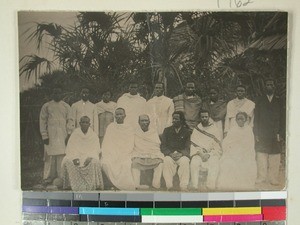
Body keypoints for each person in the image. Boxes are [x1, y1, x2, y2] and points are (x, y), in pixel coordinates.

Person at [39, 88, 73, 185]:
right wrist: (44, 135)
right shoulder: (46, 106)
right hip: (50, 135)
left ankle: (61, 177)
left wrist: (69, 134)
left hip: (63, 134)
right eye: (55, 92)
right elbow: (42, 121)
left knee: (62, 155)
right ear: (52, 94)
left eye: (59, 92)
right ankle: (48, 177)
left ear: (62, 93)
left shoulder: (66, 106)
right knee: (50, 156)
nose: (57, 94)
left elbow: (70, 120)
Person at [254, 79, 283, 186]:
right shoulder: (259, 100)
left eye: (271, 84)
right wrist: (256, 133)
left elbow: (283, 117)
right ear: (265, 86)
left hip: (275, 133)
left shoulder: (279, 100)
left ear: (274, 86)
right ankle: (261, 177)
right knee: (261, 155)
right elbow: (256, 118)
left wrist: (280, 132)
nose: (269, 86)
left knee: (275, 156)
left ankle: (273, 178)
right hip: (262, 132)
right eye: (267, 84)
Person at [61, 116, 103, 191]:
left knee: (94, 162)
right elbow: (70, 147)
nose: (85, 124)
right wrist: (74, 157)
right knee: (67, 161)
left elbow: (96, 149)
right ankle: (72, 185)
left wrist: (90, 157)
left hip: (88, 156)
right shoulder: (75, 133)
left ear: (89, 124)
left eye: (87, 122)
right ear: (80, 123)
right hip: (76, 156)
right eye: (83, 122)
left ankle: (91, 185)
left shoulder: (93, 135)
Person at [217, 112, 257, 190]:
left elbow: (250, 146)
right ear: (236, 120)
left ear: (245, 120)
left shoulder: (249, 130)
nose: (240, 121)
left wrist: (242, 153)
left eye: (242, 119)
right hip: (233, 153)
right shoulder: (233, 129)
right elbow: (226, 142)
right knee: (227, 163)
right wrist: (230, 151)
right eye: (238, 119)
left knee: (245, 164)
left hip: (245, 154)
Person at [101, 108, 136, 190]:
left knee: (125, 164)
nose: (119, 116)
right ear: (114, 116)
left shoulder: (129, 128)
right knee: (105, 163)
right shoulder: (111, 127)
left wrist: (122, 153)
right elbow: (106, 143)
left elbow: (130, 143)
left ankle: (122, 186)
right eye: (117, 114)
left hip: (125, 154)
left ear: (125, 116)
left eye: (121, 114)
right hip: (112, 153)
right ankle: (112, 184)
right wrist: (111, 153)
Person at [190, 110, 222, 191]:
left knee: (214, 162)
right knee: (194, 162)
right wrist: (200, 153)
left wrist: (209, 154)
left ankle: (210, 186)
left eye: (206, 117)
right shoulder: (197, 129)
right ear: (200, 118)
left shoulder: (214, 129)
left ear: (209, 117)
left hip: (211, 154)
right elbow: (193, 144)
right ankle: (195, 186)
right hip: (199, 153)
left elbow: (217, 147)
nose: (204, 118)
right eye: (202, 117)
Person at [131, 115, 164, 189]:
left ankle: (156, 185)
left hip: (152, 154)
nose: (144, 122)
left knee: (160, 163)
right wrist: (142, 153)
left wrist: (150, 153)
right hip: (139, 154)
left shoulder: (153, 132)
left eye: (146, 120)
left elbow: (156, 146)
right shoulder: (135, 132)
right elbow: (134, 145)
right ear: (138, 122)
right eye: (142, 121)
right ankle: (136, 185)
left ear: (149, 122)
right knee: (134, 163)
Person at [161, 111, 191, 191]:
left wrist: (181, 154)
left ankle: (183, 186)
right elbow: (163, 146)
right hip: (170, 155)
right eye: (173, 118)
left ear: (181, 120)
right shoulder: (167, 130)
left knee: (185, 161)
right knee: (166, 161)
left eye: (176, 119)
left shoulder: (186, 132)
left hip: (181, 155)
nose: (174, 120)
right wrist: (170, 154)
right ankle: (169, 186)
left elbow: (188, 147)